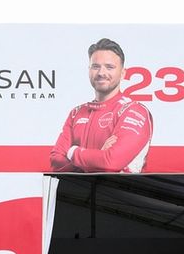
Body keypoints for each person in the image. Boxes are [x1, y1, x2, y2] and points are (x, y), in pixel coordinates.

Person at [49, 38, 154, 173]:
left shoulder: (133, 110)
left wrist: (73, 151)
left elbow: (111, 162)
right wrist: (97, 156)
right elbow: (55, 161)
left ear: (123, 73)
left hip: (117, 193)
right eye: (96, 66)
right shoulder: (76, 113)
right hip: (76, 193)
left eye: (109, 67)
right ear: (89, 69)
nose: (101, 73)